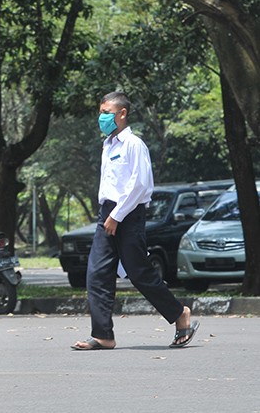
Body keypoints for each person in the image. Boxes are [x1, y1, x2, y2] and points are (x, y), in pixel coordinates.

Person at [72, 91, 199, 350]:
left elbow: (139, 185)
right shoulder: (108, 145)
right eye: (101, 112)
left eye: (107, 112)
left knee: (140, 273)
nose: (102, 117)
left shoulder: (133, 144)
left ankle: (179, 314)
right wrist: (107, 214)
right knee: (96, 274)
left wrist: (116, 216)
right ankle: (103, 335)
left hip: (127, 214)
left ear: (122, 114)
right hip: (107, 213)